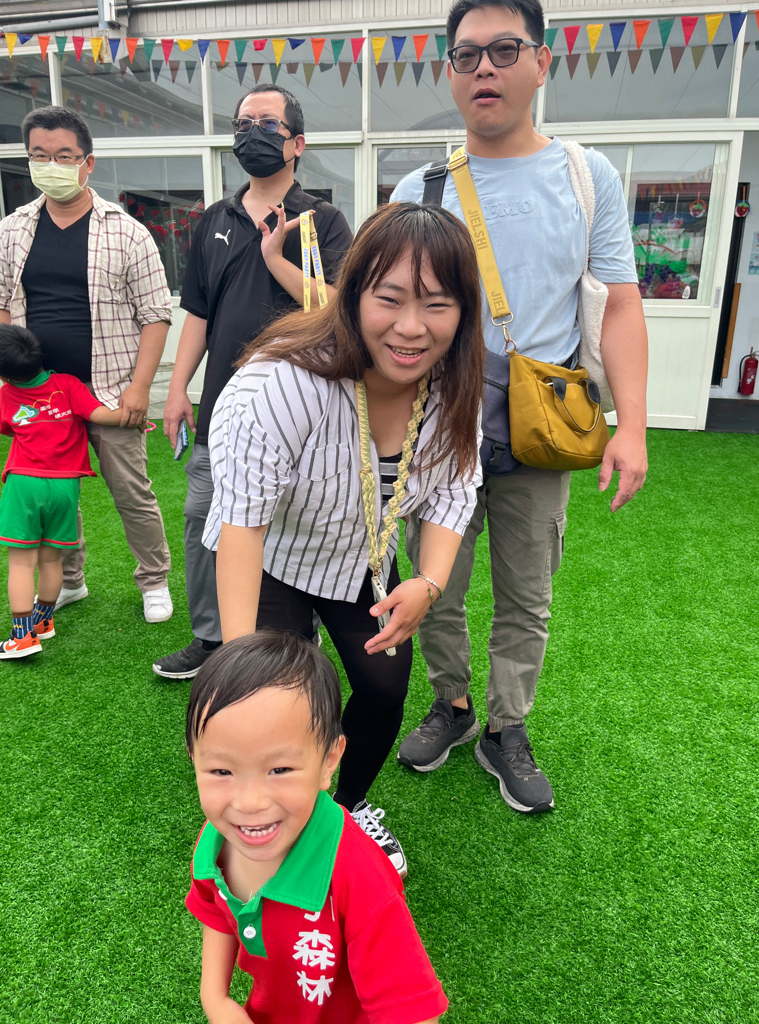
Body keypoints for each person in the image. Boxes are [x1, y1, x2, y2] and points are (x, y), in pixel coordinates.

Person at [392, 0, 649, 813]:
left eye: (505, 50)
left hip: (542, 425)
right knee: (434, 584)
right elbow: (389, 318)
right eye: (466, 55)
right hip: (438, 426)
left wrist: (633, 425)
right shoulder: (419, 187)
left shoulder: (584, 175)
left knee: (526, 593)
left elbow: (621, 304)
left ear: (542, 62)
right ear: (449, 72)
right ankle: (452, 703)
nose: (485, 69)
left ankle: (507, 727)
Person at [203, 201, 484, 874]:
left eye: (437, 305)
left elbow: (454, 491)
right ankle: (273, 813)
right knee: (275, 698)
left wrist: (429, 582)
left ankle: (345, 806)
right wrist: (238, 669)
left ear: (463, 313)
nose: (411, 328)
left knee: (384, 687)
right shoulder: (278, 384)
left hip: (363, 562)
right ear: (352, 293)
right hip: (271, 558)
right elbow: (243, 525)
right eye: (390, 299)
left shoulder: (456, 387)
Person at [153, 85, 352, 680]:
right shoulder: (215, 218)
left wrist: (276, 261)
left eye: (266, 124)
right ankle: (213, 639)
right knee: (204, 521)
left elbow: (338, 306)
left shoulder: (322, 220)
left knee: (289, 529)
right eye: (242, 124)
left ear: (297, 143)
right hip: (222, 409)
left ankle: (291, 641)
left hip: (300, 415)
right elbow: (198, 313)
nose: (251, 134)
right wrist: (178, 389)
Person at [185, 631, 448, 1024]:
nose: (249, 803)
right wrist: (218, 1003)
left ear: (329, 761)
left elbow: (414, 1011)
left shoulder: (358, 875)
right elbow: (214, 913)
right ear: (194, 759)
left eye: (280, 769)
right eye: (221, 771)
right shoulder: (214, 843)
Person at [0, 106, 173, 624]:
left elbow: (155, 314)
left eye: (63, 156)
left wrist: (140, 386)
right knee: (57, 494)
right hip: (37, 393)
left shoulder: (128, 232)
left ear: (87, 162)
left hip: (110, 389)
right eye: (39, 155)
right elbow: (0, 304)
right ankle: (70, 581)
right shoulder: (11, 230)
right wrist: (7, 368)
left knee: (132, 493)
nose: (51, 165)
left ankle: (154, 580)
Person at [0, 325, 141, 658]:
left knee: (21, 563)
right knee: (51, 557)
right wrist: (129, 417)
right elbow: (99, 414)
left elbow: (5, 427)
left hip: (24, 484)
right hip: (66, 486)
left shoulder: (6, 396)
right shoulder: (69, 384)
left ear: (3, 375)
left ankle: (22, 638)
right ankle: (43, 622)